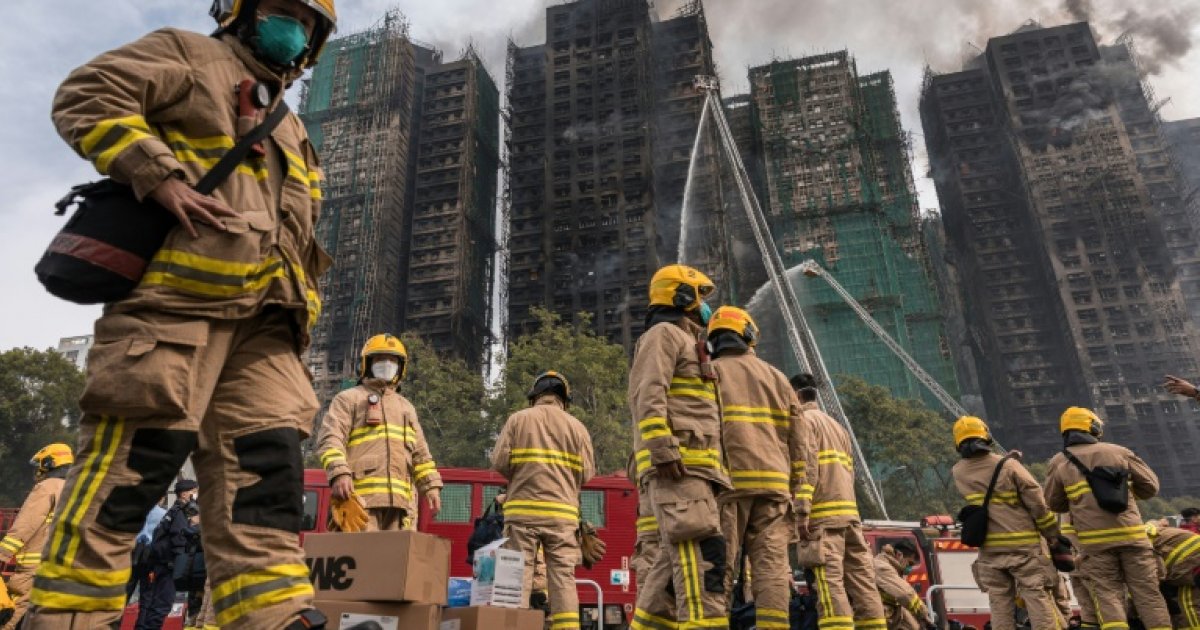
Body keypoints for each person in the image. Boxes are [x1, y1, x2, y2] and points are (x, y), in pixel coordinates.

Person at [34, 1, 338, 627]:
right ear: (239, 10)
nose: (294, 29)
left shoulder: (291, 126)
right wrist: (159, 175)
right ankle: (68, 617)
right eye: (281, 11)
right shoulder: (190, 54)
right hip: (177, 313)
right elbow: (87, 94)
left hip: (268, 329)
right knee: (130, 477)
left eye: (307, 23)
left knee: (267, 481)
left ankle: (273, 616)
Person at [629, 264, 731, 630]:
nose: (706, 306)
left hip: (696, 470)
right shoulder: (664, 334)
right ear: (681, 296)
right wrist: (663, 448)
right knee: (700, 561)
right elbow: (647, 393)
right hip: (679, 468)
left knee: (668, 577)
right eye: (700, 296)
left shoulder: (691, 343)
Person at [707, 306, 803, 630]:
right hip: (774, 490)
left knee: (719, 568)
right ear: (749, 335)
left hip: (728, 487)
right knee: (772, 571)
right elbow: (799, 440)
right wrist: (797, 487)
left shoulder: (708, 374)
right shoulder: (777, 378)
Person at [1044, 407, 1171, 630]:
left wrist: (1080, 503)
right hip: (1133, 538)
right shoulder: (1119, 452)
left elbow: (1053, 503)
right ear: (1093, 427)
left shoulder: (1059, 461)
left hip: (1095, 544)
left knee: (1108, 595)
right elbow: (1151, 487)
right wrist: (1128, 494)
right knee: (1148, 594)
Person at [492, 371, 595, 630]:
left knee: (516, 577)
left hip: (522, 514)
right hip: (562, 517)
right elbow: (587, 474)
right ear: (565, 400)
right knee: (563, 580)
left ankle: (515, 627)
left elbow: (500, 463)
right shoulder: (578, 428)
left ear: (534, 396)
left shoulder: (518, 420)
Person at [316, 333, 442, 531]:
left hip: (401, 506)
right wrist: (339, 473)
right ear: (367, 364)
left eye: (392, 360)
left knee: (397, 552)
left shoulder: (406, 408)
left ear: (401, 367)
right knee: (361, 551)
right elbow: (330, 439)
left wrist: (431, 485)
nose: (387, 364)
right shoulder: (348, 399)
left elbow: (421, 454)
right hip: (360, 501)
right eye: (380, 359)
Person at [792, 373, 887, 630]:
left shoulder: (803, 421)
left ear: (796, 395)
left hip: (823, 519)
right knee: (864, 585)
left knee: (829, 584)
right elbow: (850, 473)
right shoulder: (838, 428)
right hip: (850, 518)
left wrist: (801, 511)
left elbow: (807, 468)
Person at [951, 416, 1064, 630]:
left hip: (990, 550)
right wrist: (1051, 533)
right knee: (1036, 595)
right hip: (1023, 547)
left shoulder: (958, 471)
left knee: (999, 602)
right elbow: (1037, 502)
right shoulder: (1008, 466)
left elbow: (987, 479)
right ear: (986, 436)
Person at [0, 444, 72, 629]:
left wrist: (2, 554)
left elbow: (26, 524)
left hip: (36, 564)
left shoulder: (46, 487)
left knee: (14, 611)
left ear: (49, 464)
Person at [135, 480, 200, 630]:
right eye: (194, 491)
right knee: (162, 604)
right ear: (184, 494)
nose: (196, 495)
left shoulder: (173, 511)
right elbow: (179, 538)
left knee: (153, 603)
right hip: (169, 566)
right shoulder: (180, 512)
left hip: (161, 564)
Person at [1145, 521, 1200, 629]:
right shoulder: (1152, 532)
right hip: (1189, 562)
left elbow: (1154, 577)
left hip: (1190, 565)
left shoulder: (1140, 543)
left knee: (1187, 603)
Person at [873, 540, 927, 630]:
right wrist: (924, 614)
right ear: (899, 555)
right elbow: (905, 595)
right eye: (910, 563)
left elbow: (900, 605)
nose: (909, 568)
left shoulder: (894, 570)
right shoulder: (882, 567)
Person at [127, 501, 168, 602]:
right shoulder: (163, 513)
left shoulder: (136, 511)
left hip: (134, 551)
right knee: (147, 587)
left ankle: (119, 611)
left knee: (129, 585)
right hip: (151, 553)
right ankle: (144, 611)